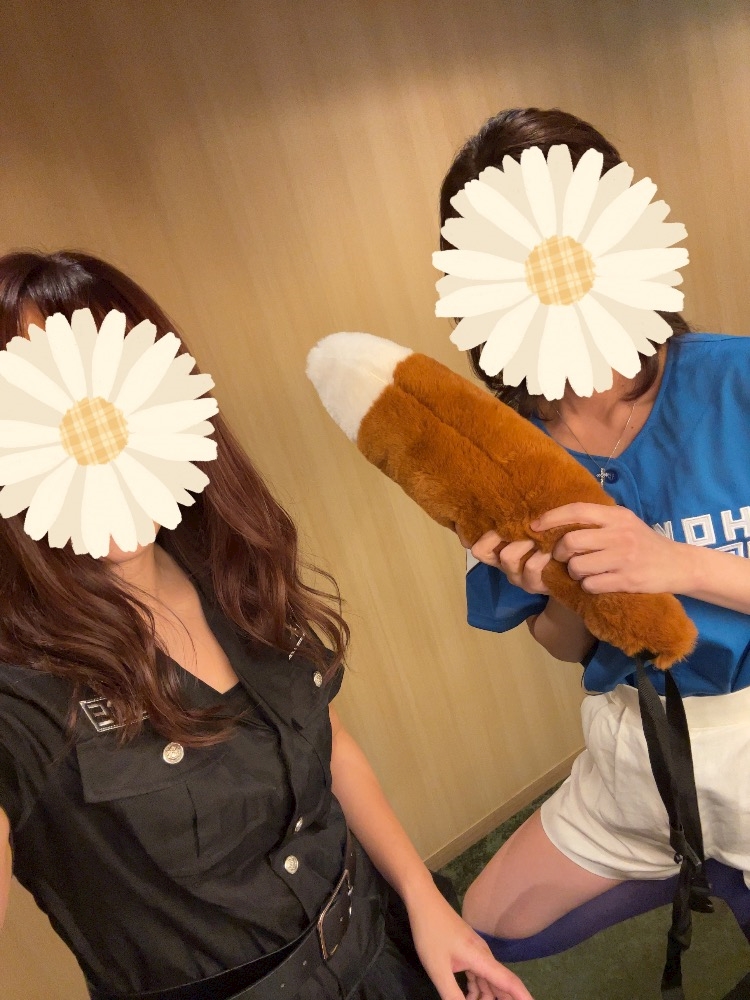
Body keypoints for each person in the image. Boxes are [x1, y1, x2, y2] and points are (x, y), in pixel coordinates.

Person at [0, 251, 534, 1000]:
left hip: (378, 945)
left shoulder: (227, 570)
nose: (93, 438)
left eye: (111, 395)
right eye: (45, 413)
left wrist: (424, 900)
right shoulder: (19, 687)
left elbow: (327, 741)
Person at [437, 108, 750, 942]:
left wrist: (678, 564)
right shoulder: (502, 454)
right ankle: (700, 858)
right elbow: (564, 645)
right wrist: (560, 590)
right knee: (484, 931)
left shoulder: (736, 380)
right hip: (637, 750)